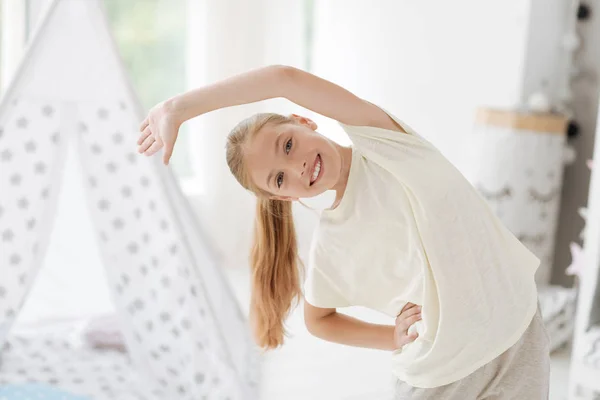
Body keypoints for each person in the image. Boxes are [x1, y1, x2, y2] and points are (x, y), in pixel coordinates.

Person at [137, 65, 551, 399]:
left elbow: (284, 78)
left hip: (517, 331)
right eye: (279, 179)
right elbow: (320, 319)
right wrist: (390, 336)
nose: (295, 166)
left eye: (287, 145)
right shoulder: (332, 245)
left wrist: (181, 107)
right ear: (280, 198)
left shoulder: (386, 143)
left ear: (304, 121)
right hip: (440, 377)